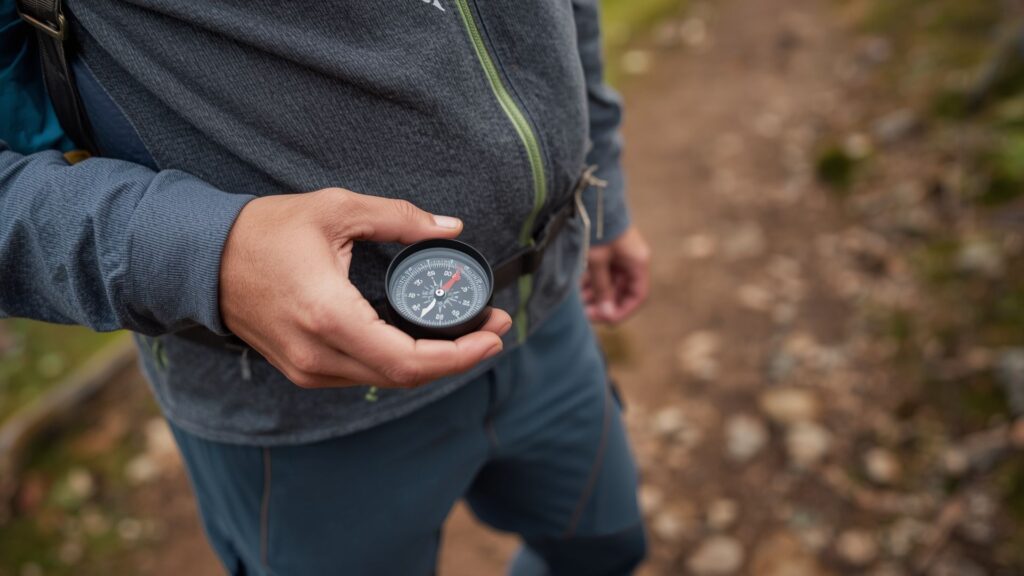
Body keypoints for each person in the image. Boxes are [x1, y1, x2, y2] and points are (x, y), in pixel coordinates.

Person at [0, 0, 651, 573]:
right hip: (292, 411)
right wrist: (197, 251)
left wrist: (604, 186)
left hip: (547, 309)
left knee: (606, 549)